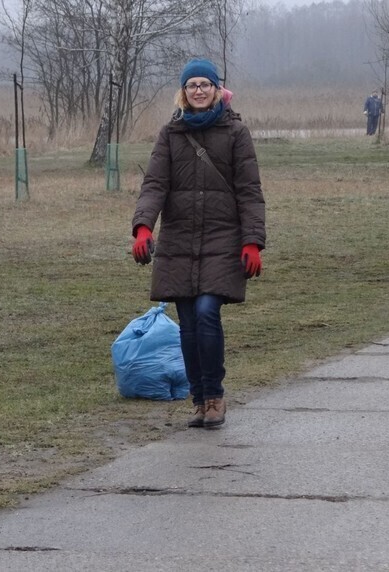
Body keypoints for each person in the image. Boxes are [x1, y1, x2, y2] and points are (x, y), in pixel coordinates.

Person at [131, 58, 266, 429]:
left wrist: (252, 242)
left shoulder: (236, 132)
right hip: (179, 240)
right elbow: (154, 185)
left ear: (217, 89)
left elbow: (250, 191)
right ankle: (199, 400)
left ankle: (215, 395)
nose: (199, 90)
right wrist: (143, 226)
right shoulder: (170, 134)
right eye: (192, 85)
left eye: (205, 84)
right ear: (184, 92)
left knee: (207, 311)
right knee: (188, 322)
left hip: (223, 238)